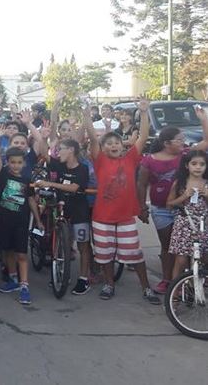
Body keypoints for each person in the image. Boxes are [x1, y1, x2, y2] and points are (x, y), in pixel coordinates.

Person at [83, 100, 160, 304]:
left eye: (116, 142)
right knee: (105, 255)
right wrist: (86, 114)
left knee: (134, 254)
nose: (113, 145)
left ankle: (146, 288)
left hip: (125, 217)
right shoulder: (99, 160)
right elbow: (92, 136)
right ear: (102, 148)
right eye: (108, 144)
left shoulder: (130, 159)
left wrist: (143, 112)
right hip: (102, 217)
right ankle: (109, 284)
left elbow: (143, 136)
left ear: (122, 145)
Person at [138, 109, 208, 294]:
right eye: (179, 139)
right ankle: (168, 279)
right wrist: (141, 208)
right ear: (167, 143)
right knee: (168, 245)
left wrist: (203, 120)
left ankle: (190, 279)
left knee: (187, 247)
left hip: (185, 209)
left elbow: (205, 143)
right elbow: (142, 184)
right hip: (161, 209)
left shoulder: (185, 155)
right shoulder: (149, 160)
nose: (183, 141)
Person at [35, 139, 93, 295]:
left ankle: (83, 279)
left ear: (71, 150)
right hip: (62, 209)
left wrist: (51, 184)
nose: (57, 152)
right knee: (62, 244)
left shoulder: (82, 169)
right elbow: (44, 152)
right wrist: (33, 129)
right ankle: (61, 273)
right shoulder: (59, 165)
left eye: (61, 149)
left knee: (83, 245)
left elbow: (74, 188)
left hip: (79, 211)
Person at [0, 147, 42, 305]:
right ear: (8, 163)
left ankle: (24, 286)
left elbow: (30, 200)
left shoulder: (27, 180)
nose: (15, 165)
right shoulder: (3, 175)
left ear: (24, 163)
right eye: (12, 162)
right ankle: (13, 279)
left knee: (21, 254)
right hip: (4, 220)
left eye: (19, 162)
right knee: (8, 251)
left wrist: (38, 220)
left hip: (21, 222)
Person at [166, 150, 208, 278]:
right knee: (181, 260)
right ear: (186, 165)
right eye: (194, 164)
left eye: (202, 164)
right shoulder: (180, 183)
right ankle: (176, 291)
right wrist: (184, 196)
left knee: (204, 257)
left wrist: (206, 195)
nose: (198, 167)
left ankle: (199, 285)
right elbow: (169, 204)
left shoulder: (206, 183)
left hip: (204, 224)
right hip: (184, 224)